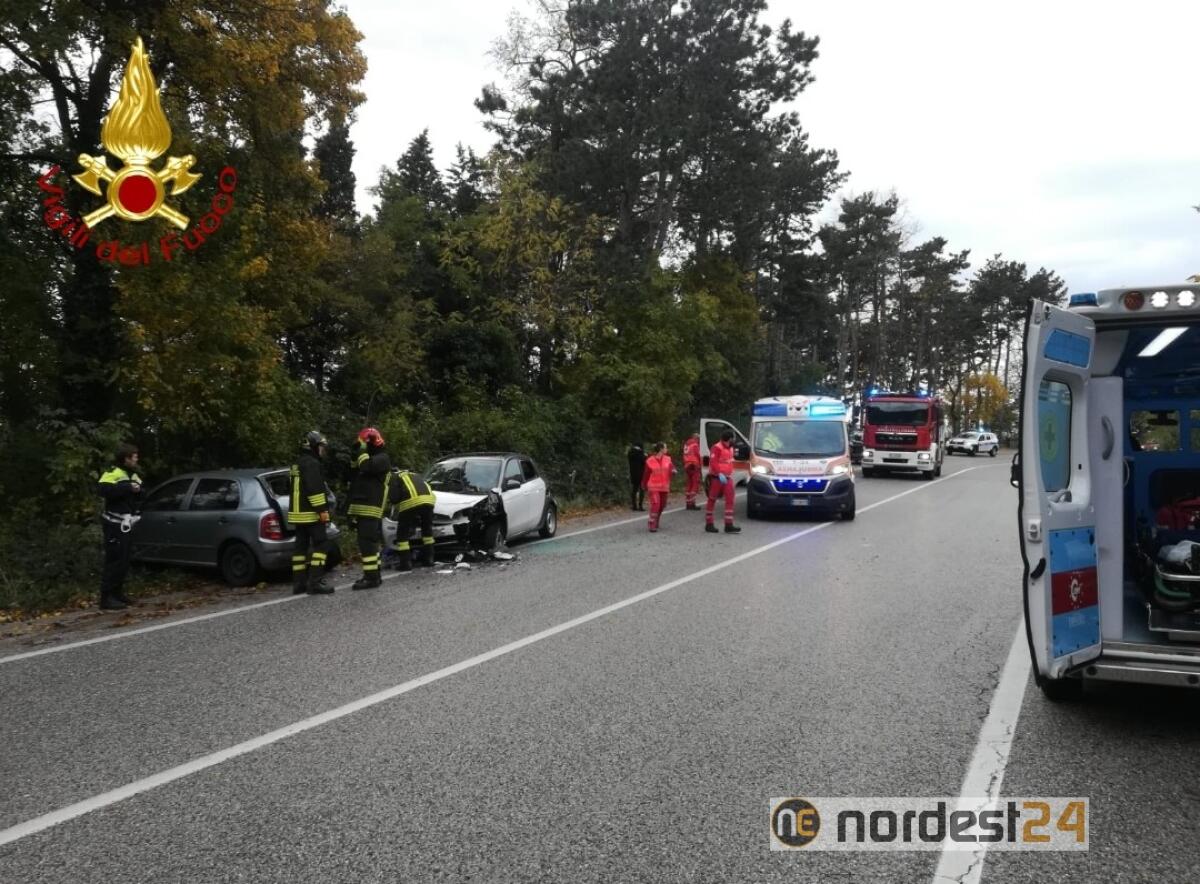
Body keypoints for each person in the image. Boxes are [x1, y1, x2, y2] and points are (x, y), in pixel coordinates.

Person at [96, 442, 143, 610]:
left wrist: (138, 491)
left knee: (124, 561)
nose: (137, 459)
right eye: (134, 457)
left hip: (127, 524)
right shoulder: (113, 472)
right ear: (126, 458)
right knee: (113, 560)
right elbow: (103, 490)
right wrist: (127, 487)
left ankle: (117, 594)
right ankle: (106, 598)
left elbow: (141, 494)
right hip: (114, 524)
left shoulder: (134, 475)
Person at [289, 431, 336, 594]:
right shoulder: (312, 464)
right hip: (311, 513)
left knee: (300, 549)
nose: (323, 451)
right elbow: (314, 490)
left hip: (297, 514)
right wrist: (322, 511)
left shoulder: (297, 463)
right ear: (313, 446)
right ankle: (315, 582)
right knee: (321, 544)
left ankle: (299, 583)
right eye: (321, 447)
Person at [348, 427, 392, 590]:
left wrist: (362, 448)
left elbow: (365, 466)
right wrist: (357, 451)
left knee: (367, 543)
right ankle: (375, 575)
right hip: (363, 508)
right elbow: (353, 471)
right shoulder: (369, 458)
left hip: (370, 508)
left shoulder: (383, 458)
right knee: (368, 543)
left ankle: (371, 578)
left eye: (364, 444)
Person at [390, 469, 437, 570]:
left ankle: (405, 564)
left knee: (402, 534)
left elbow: (394, 498)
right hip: (429, 501)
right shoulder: (415, 474)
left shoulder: (394, 477)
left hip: (411, 502)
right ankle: (429, 560)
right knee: (427, 532)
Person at [705, 430, 741, 534]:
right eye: (733, 438)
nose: (734, 440)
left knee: (730, 498)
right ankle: (709, 524)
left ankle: (728, 525)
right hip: (716, 478)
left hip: (727, 478)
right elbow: (713, 462)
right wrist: (719, 473)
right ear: (729, 439)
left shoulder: (730, 448)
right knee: (712, 499)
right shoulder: (717, 447)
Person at [641, 442, 676, 532]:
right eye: (665, 447)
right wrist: (643, 484)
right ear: (661, 449)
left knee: (662, 505)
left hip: (664, 486)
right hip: (653, 486)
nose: (666, 449)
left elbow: (671, 467)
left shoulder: (668, 459)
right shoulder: (650, 460)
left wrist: (673, 471)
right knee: (656, 504)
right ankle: (652, 523)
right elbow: (646, 474)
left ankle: (656, 519)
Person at [682, 432, 702, 509]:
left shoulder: (686, 444)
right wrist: (701, 464)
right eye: (698, 439)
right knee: (695, 484)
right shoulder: (695, 445)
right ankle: (692, 503)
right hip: (694, 465)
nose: (699, 440)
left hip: (687, 465)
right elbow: (698, 455)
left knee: (689, 484)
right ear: (696, 438)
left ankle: (688, 503)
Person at [627, 442, 647, 511]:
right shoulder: (641, 453)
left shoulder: (630, 452)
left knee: (634, 489)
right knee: (642, 489)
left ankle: (634, 505)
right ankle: (640, 505)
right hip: (641, 473)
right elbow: (644, 461)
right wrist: (645, 456)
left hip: (633, 473)